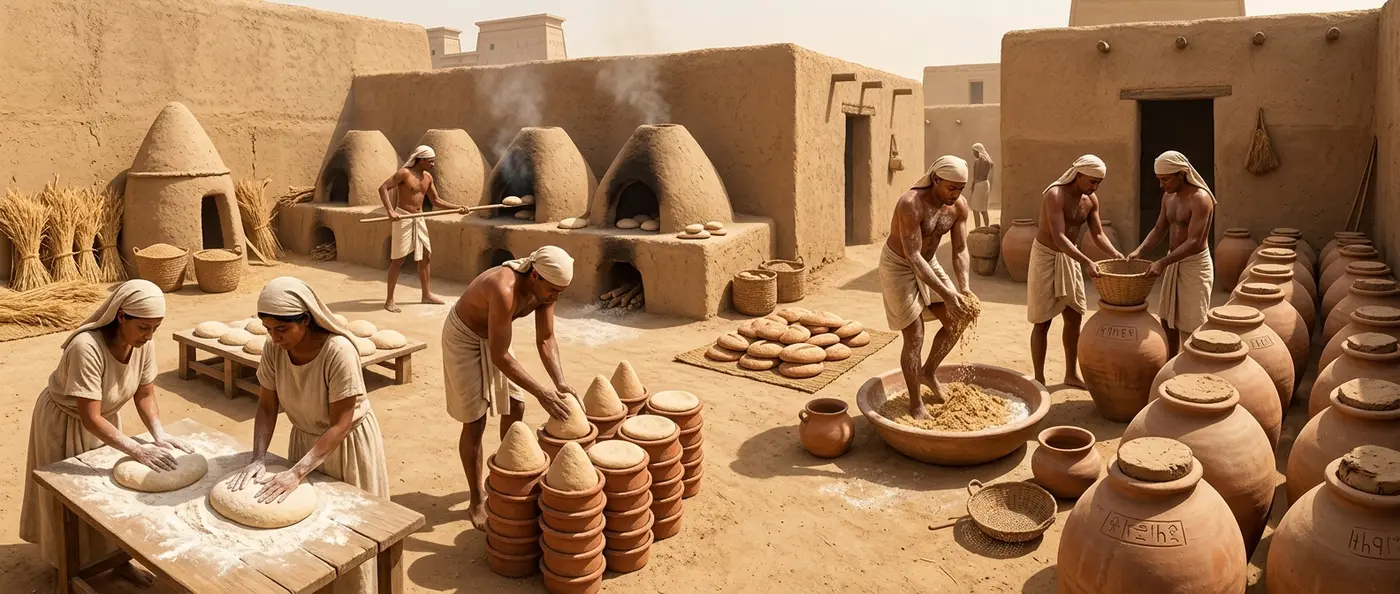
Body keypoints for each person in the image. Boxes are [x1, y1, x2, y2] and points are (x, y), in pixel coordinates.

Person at [21, 279, 190, 587]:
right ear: (121, 316)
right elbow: (89, 416)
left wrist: (158, 434)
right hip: (65, 424)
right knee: (69, 500)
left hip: (106, 422)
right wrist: (136, 449)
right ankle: (66, 569)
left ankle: (119, 562)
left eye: (156, 327)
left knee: (111, 499)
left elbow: (144, 393)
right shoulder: (86, 347)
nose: (149, 335)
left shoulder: (143, 344)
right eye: (144, 327)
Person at [230, 277, 390, 594]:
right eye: (268, 329)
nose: (275, 337)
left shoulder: (338, 351)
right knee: (312, 536)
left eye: (282, 329)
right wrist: (258, 457)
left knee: (349, 534)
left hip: (347, 446)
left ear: (305, 319)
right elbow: (266, 405)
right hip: (305, 441)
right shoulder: (274, 349)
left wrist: (297, 472)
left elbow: (341, 423)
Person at [442, 245, 577, 529]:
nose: (555, 297)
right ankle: (476, 499)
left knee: (516, 405)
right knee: (475, 420)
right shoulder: (503, 288)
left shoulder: (546, 289)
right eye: (553, 291)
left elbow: (546, 339)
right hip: (464, 336)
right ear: (535, 275)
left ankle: (508, 473)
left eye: (560, 293)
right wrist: (542, 392)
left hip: (495, 336)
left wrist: (560, 382)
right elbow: (500, 356)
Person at [880, 155, 977, 420]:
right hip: (899, 265)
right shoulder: (911, 203)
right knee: (915, 335)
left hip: (929, 261)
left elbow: (960, 249)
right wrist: (947, 294)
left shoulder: (958, 206)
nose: (955, 194)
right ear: (935, 179)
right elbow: (912, 256)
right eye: (951, 188)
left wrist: (964, 288)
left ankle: (928, 372)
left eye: (960, 189)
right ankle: (915, 404)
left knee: (959, 318)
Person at [1028, 155, 1123, 388]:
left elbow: (1098, 234)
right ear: (1078, 175)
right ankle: (1039, 379)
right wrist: (1087, 262)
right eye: (1092, 181)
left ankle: (1071, 374)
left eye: (1099, 183)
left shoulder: (1090, 200)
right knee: (1042, 321)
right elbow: (1059, 237)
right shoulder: (1055, 195)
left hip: (1070, 256)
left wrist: (1115, 254)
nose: (1095, 187)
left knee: (1074, 317)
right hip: (1046, 256)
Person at [1129, 150, 1216, 357]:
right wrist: (1140, 250)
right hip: (1173, 261)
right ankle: (1171, 361)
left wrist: (1162, 262)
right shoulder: (1168, 197)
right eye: (1159, 179)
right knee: (1168, 319)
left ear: (1182, 174)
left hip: (1194, 265)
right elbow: (1160, 229)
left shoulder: (1200, 199)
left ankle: (1193, 363)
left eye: (1166, 179)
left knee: (1192, 323)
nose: (1161, 185)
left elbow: (1194, 242)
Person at [379, 145, 471, 313]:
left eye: (433, 161)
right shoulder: (404, 173)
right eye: (430, 161)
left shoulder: (428, 177)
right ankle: (389, 300)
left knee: (426, 256)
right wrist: (390, 211)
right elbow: (383, 188)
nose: (433, 164)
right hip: (403, 218)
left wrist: (458, 208)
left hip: (419, 218)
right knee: (398, 260)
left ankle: (426, 294)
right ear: (420, 160)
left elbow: (436, 200)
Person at [969, 143, 994, 228]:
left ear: (977, 151)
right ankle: (987, 227)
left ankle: (977, 228)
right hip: (986, 184)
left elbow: (976, 176)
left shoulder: (978, 162)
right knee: (983, 208)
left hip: (979, 185)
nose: (973, 153)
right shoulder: (988, 161)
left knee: (975, 209)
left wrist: (972, 187)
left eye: (974, 151)